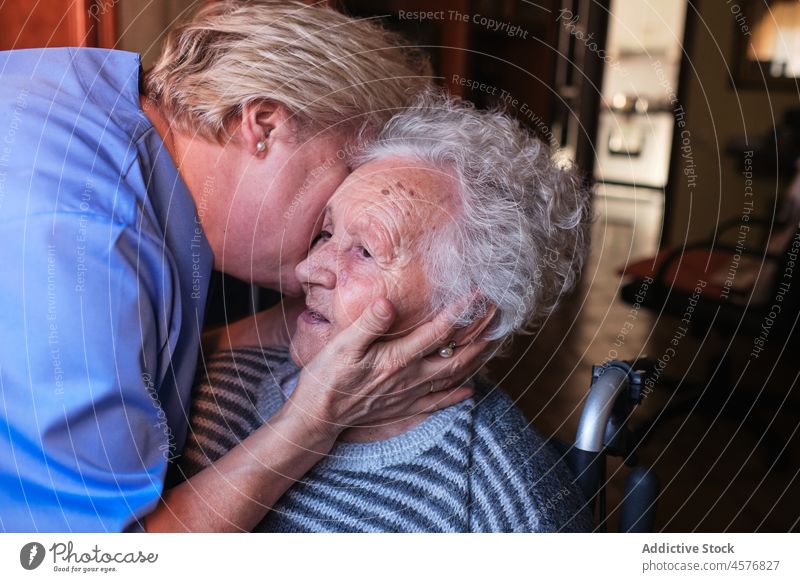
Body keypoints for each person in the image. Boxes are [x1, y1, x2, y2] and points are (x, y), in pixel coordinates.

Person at [0, 1, 480, 533]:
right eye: (340, 186)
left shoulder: (88, 100)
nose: (325, 251)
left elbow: (131, 359)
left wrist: (313, 321)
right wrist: (314, 421)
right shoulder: (81, 240)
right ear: (264, 126)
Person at [179, 94, 594, 532]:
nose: (308, 269)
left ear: (467, 318)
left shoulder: (498, 507)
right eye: (325, 232)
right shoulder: (214, 390)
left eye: (364, 252)